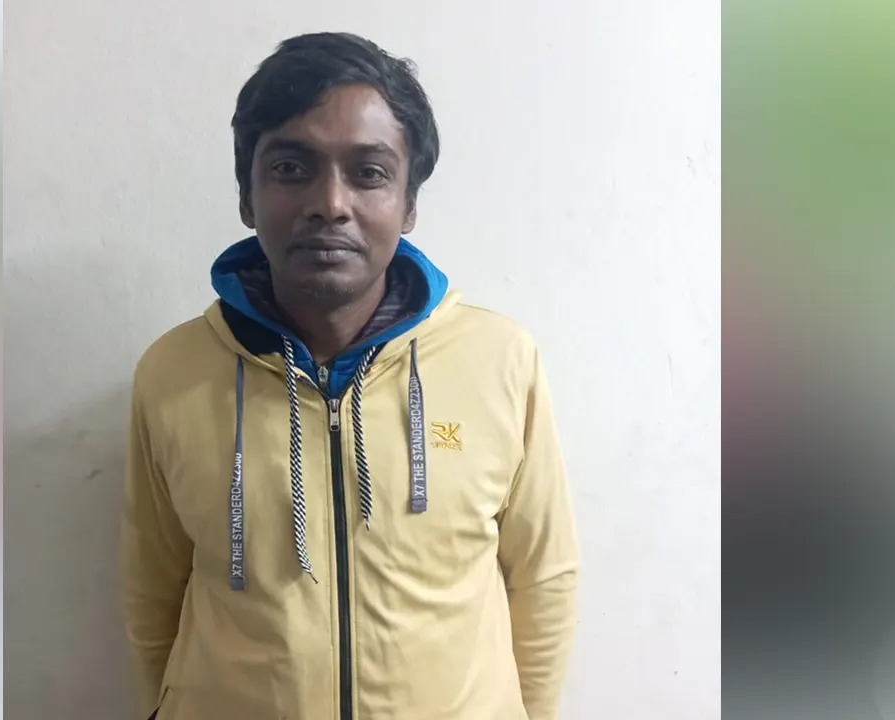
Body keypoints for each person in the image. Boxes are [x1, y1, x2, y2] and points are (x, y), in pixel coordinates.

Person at [121, 31, 579, 720]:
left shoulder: (501, 361)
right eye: (291, 168)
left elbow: (544, 578)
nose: (330, 203)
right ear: (247, 196)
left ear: (409, 203)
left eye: (368, 173)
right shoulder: (173, 374)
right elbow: (152, 590)